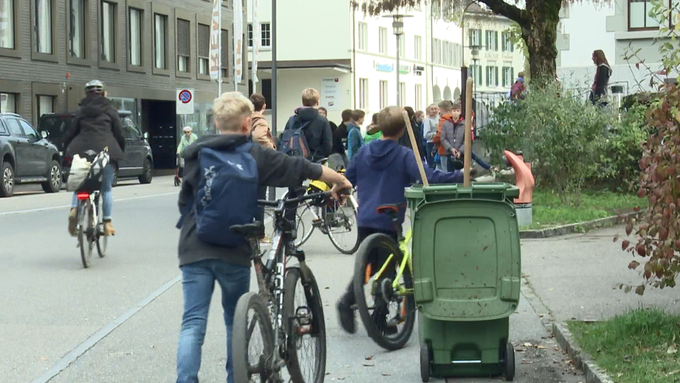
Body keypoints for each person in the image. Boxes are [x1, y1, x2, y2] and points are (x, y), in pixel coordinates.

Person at [175, 91, 351, 383]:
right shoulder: (255, 154)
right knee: (236, 324)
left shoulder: (196, 152)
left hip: (195, 247)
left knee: (193, 323)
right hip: (235, 247)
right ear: (247, 125)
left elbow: (185, 202)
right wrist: (339, 179)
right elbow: (298, 167)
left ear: (217, 123)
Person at [336, 105, 463, 334]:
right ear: (403, 130)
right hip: (389, 216)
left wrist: (339, 189)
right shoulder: (404, 155)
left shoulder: (365, 152)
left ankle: (348, 299)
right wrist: (460, 175)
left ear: (379, 127)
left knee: (368, 264)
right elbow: (428, 177)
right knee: (388, 270)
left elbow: (349, 179)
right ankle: (379, 318)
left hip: (365, 217)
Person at [63, 80, 125, 237]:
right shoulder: (110, 110)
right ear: (103, 93)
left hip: (81, 150)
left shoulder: (81, 111)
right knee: (106, 189)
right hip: (106, 151)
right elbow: (119, 133)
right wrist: (120, 150)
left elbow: (71, 132)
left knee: (80, 185)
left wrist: (66, 149)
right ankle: (107, 223)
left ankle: (74, 209)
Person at [439, 100, 494, 173]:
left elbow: (466, 139)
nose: (455, 113)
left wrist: (460, 150)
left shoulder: (464, 124)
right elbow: (443, 138)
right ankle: (488, 167)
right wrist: (450, 148)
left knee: (470, 160)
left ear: (460, 112)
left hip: (461, 150)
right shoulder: (446, 123)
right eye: (454, 111)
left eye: (457, 111)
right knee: (450, 172)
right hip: (449, 152)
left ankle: (487, 167)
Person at [283, 88, 333, 162]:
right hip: (315, 162)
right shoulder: (322, 121)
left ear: (303, 102)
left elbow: (285, 140)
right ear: (317, 102)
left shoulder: (292, 120)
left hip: (294, 162)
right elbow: (328, 146)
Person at [423, 104, 440, 169]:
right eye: (432, 109)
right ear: (429, 110)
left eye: (435, 109)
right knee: (432, 163)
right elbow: (426, 135)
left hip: (439, 143)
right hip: (431, 143)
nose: (434, 111)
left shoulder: (440, 118)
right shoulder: (428, 120)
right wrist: (436, 133)